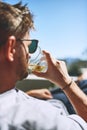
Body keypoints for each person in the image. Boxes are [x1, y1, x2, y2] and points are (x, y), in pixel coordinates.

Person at [0, 1, 87, 130]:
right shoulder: (43, 118)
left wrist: (28, 94)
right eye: (30, 47)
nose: (29, 55)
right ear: (11, 48)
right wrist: (66, 82)